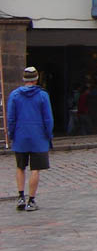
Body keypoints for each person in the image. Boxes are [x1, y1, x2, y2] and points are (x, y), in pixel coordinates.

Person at [7, 67, 54, 212]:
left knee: (20, 167)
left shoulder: (14, 95)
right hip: (38, 136)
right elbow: (48, 118)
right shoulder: (42, 95)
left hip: (21, 135)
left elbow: (11, 118)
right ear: (36, 79)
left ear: (24, 79)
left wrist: (12, 134)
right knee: (35, 169)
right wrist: (48, 134)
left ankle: (21, 196)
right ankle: (31, 200)